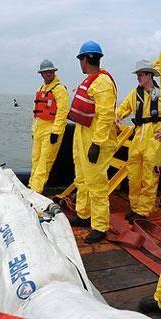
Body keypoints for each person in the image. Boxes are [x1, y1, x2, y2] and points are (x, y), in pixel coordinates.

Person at [67, 41, 117, 244]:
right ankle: (83, 213)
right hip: (82, 136)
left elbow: (105, 116)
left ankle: (99, 225)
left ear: (86, 59)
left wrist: (97, 143)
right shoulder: (91, 80)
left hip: (95, 139)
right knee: (82, 179)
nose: (80, 63)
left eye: (80, 59)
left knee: (96, 184)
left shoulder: (102, 83)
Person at [116, 59, 161, 224]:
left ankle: (143, 211)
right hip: (139, 135)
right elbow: (123, 108)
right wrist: (116, 117)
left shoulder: (160, 93)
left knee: (150, 176)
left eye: (140, 75)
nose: (138, 78)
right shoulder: (135, 94)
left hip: (154, 139)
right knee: (134, 174)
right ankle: (135, 208)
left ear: (149, 75)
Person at [29, 59, 69, 194]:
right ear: (41, 74)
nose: (48, 74)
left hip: (51, 131)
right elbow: (36, 113)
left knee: (44, 164)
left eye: (50, 72)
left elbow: (63, 112)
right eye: (45, 72)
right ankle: (31, 186)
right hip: (39, 130)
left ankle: (35, 192)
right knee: (35, 160)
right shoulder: (41, 89)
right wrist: (33, 130)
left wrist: (56, 132)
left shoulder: (59, 89)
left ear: (54, 72)